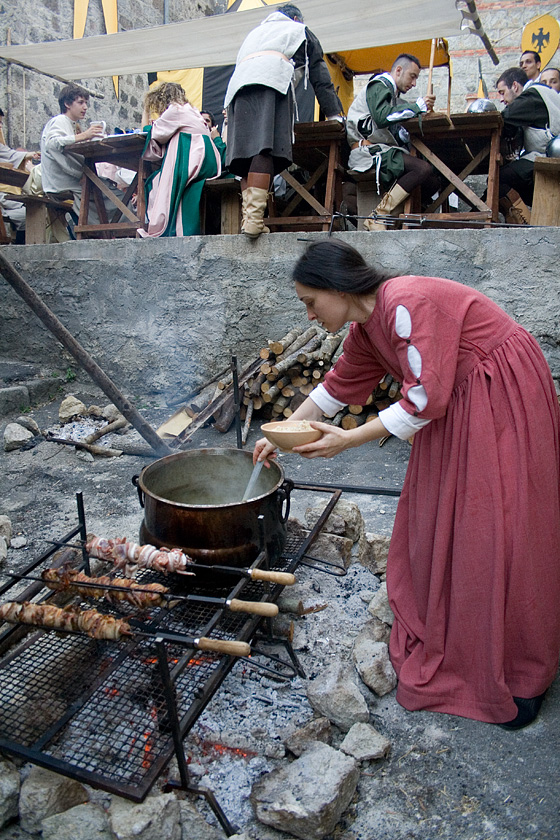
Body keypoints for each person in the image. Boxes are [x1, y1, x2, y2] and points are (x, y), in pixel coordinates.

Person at [254, 238, 560, 729]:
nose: (309, 315)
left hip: (498, 389)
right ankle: (464, 629)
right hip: (458, 402)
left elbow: (425, 402)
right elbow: (335, 389)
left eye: (311, 302)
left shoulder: (405, 303)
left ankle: (520, 670)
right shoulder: (367, 329)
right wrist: (281, 434)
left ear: (338, 288)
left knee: (499, 522)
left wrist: (348, 441)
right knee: (451, 518)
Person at [223, 3, 343, 238]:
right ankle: (254, 221)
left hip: (236, 90)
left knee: (245, 156)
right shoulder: (298, 30)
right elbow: (319, 72)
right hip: (270, 81)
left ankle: (250, 220)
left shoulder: (254, 33)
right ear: (296, 18)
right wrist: (334, 114)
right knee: (263, 149)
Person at [346, 54, 437, 231]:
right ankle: (379, 215)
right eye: (413, 76)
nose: (414, 83)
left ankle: (400, 217)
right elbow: (382, 117)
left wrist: (420, 110)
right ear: (398, 70)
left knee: (433, 180)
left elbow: (397, 115)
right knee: (422, 169)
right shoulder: (379, 85)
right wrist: (417, 107)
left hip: (384, 151)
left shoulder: (392, 95)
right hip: (369, 153)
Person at [138, 82, 222, 237]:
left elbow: (151, 133)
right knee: (158, 179)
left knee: (155, 182)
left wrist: (145, 110)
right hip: (208, 159)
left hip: (194, 158)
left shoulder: (174, 110)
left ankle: (158, 225)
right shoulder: (192, 110)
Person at [40, 83, 123, 224]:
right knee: (114, 194)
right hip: (61, 181)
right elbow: (52, 143)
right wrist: (84, 136)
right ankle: (116, 228)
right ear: (67, 104)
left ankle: (106, 228)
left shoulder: (70, 123)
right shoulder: (59, 120)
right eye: (80, 102)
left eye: (86, 103)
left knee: (107, 186)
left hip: (71, 178)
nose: (85, 107)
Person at [495, 66, 560, 220]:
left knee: (499, 178)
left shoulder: (532, 95)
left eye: (503, 92)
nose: (502, 99)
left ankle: (521, 220)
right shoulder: (541, 94)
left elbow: (506, 117)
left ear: (515, 86)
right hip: (546, 155)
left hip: (548, 158)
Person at [0, 107, 39, 239]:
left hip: (8, 194)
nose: (0, 126)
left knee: (34, 212)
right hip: (2, 194)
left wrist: (29, 154)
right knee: (28, 215)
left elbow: (9, 154)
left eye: (1, 123)